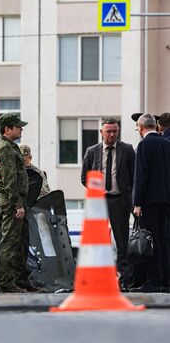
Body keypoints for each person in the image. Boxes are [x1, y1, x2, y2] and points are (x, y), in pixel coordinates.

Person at [80, 117, 135, 289]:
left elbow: (134, 177)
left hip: (120, 202)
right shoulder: (92, 151)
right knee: (98, 244)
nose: (112, 134)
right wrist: (97, 190)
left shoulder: (127, 150)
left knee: (122, 243)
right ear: (101, 132)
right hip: (99, 204)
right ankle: (98, 281)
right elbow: (84, 177)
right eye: (109, 131)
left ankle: (125, 281)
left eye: (115, 131)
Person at [0, 113, 35, 293]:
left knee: (21, 242)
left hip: (17, 201)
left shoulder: (11, 146)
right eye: (18, 127)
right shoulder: (4, 149)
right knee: (10, 243)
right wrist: (17, 205)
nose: (21, 129)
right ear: (7, 129)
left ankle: (21, 280)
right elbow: (9, 181)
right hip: (12, 203)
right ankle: (7, 283)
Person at [131, 113, 170, 292]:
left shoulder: (144, 145)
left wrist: (137, 203)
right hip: (166, 200)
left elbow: (141, 176)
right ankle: (164, 279)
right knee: (163, 239)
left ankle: (153, 281)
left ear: (140, 127)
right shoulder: (166, 143)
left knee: (151, 240)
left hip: (150, 201)